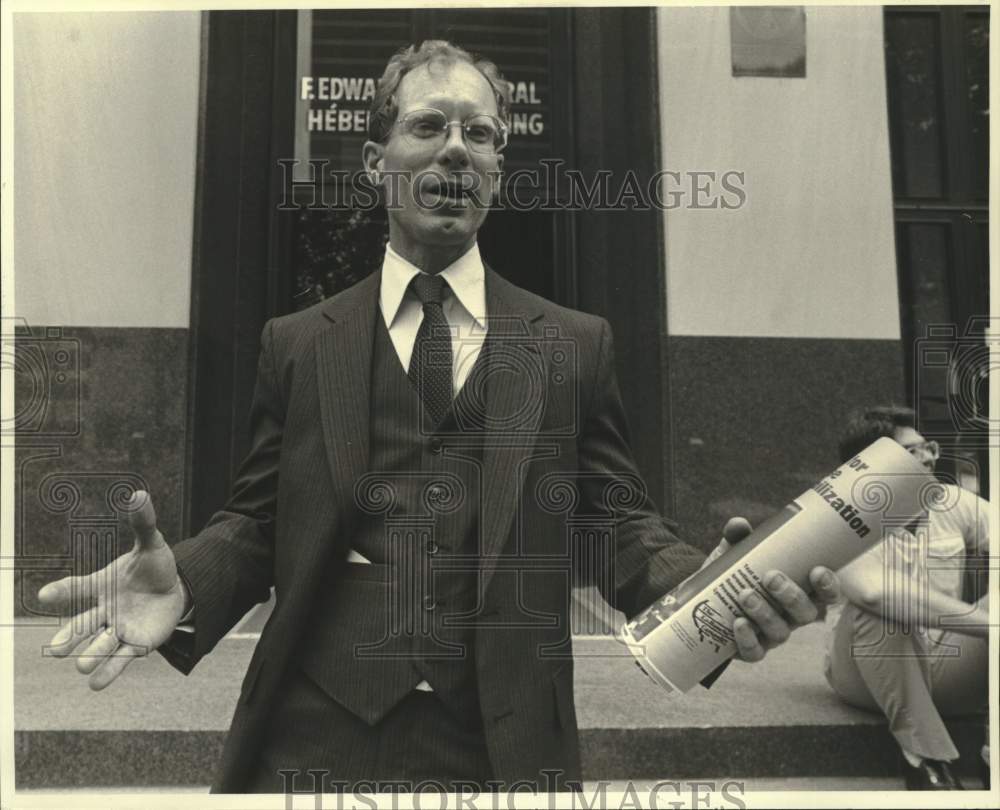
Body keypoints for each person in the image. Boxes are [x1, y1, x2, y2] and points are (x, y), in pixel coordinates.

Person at [37, 40, 840, 794]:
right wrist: (189, 583)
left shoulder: (573, 345)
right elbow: (256, 519)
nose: (457, 148)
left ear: (497, 170)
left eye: (481, 134)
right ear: (375, 163)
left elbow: (618, 526)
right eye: (428, 126)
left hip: (505, 743)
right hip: (313, 736)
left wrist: (707, 593)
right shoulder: (297, 346)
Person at [824, 405, 990, 790]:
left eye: (928, 446)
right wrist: (989, 624)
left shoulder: (950, 501)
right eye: (913, 451)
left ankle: (991, 756)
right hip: (867, 671)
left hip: (945, 667)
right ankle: (927, 762)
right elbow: (875, 592)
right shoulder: (841, 512)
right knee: (881, 612)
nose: (931, 455)